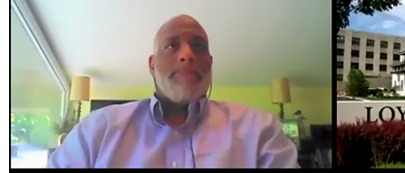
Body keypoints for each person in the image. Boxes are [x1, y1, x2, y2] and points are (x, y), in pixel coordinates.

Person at [48, 15, 298, 168]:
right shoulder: (96, 131)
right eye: (172, 46)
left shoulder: (260, 131)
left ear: (209, 64)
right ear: (152, 64)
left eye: (198, 46)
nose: (187, 55)